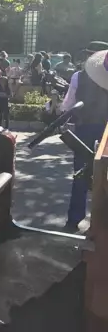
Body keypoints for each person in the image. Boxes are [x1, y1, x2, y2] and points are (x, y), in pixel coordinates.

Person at [61, 49, 108, 233]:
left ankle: (74, 219)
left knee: (80, 173)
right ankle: (101, 224)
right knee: (105, 177)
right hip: (106, 132)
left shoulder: (78, 77)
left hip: (84, 131)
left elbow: (68, 105)